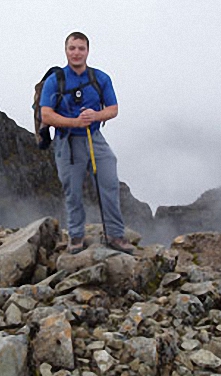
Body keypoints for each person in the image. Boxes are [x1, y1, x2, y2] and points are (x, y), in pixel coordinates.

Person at [40, 31, 135, 255]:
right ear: (66, 50)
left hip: (95, 139)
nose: (76, 53)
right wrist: (74, 122)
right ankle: (76, 236)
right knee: (72, 191)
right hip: (68, 142)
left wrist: (95, 116)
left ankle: (115, 235)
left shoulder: (101, 78)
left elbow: (113, 109)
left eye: (81, 48)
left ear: (87, 51)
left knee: (109, 184)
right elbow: (46, 115)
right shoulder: (55, 80)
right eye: (72, 48)